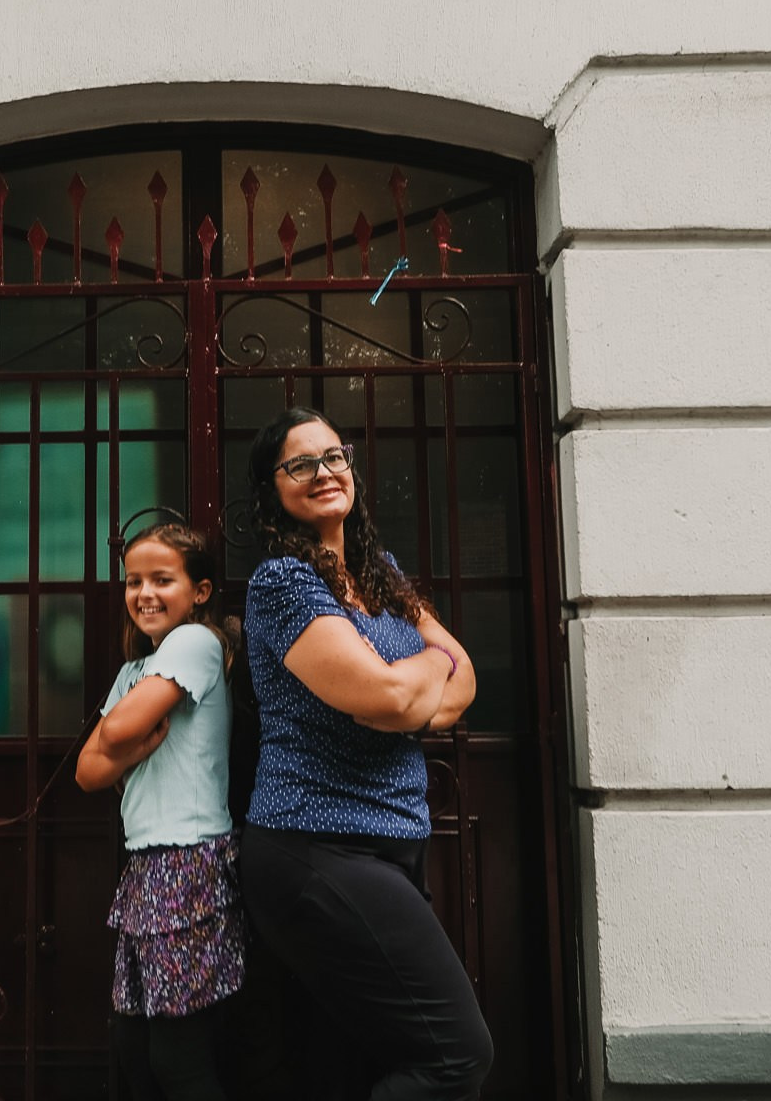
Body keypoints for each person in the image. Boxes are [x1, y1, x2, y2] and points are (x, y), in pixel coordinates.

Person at [239, 407, 494, 1101]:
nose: (324, 472)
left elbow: (463, 678)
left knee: (352, 1065)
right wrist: (423, 675)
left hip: (393, 839)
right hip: (317, 846)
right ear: (273, 489)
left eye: (334, 456)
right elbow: (389, 697)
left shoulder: (379, 572)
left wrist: (410, 692)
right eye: (300, 464)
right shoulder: (284, 583)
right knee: (457, 1057)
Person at [76, 521, 243, 1101]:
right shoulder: (135, 670)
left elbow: (115, 731)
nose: (144, 593)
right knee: (135, 1047)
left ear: (200, 592)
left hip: (190, 864)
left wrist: (124, 740)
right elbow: (87, 771)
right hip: (147, 867)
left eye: (162, 580)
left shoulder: (195, 642)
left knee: (178, 1058)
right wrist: (133, 746)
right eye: (133, 581)